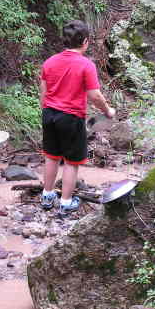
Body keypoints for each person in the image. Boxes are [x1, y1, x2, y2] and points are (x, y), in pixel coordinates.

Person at [39, 20, 115, 216]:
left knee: (52, 156)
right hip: (71, 117)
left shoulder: (49, 62)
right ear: (86, 42)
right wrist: (108, 111)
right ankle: (65, 202)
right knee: (72, 161)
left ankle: (47, 196)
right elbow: (94, 95)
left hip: (49, 114)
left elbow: (43, 93)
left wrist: (47, 113)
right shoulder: (85, 65)